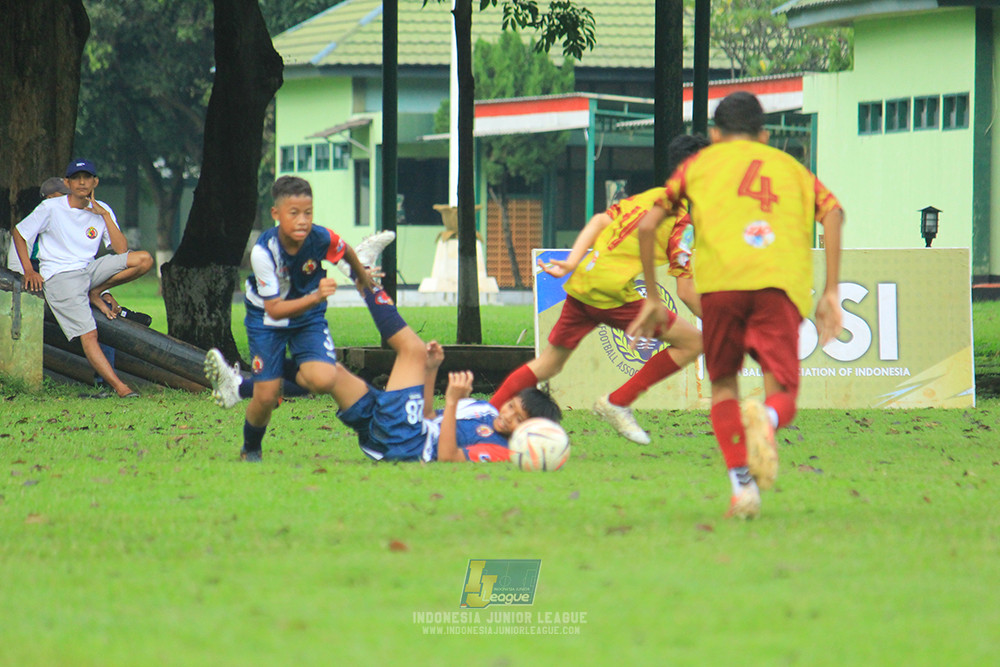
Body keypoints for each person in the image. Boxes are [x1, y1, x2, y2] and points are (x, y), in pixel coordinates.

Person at [627, 92, 845, 519]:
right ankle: (766, 417)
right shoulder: (793, 168)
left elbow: (649, 224)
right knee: (781, 394)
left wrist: (653, 297)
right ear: (764, 135)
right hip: (778, 287)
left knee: (724, 386)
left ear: (714, 134)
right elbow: (833, 213)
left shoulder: (697, 165)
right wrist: (831, 291)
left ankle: (742, 489)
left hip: (721, 287)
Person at [489, 134, 709, 445]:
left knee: (549, 363)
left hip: (585, 283)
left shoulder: (650, 197)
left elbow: (598, 221)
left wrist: (571, 262)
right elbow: (686, 293)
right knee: (694, 343)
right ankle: (617, 401)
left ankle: (485, 413)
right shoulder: (683, 221)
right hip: (612, 293)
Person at [10, 159, 155, 398]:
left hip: (88, 271)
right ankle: (120, 388)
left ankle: (96, 291)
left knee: (144, 259)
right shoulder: (51, 207)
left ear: (95, 181)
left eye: (87, 177)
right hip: (60, 277)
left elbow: (121, 250)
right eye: (76, 178)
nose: (82, 182)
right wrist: (29, 270)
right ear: (68, 182)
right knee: (90, 334)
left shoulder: (101, 209)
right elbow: (19, 232)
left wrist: (104, 215)